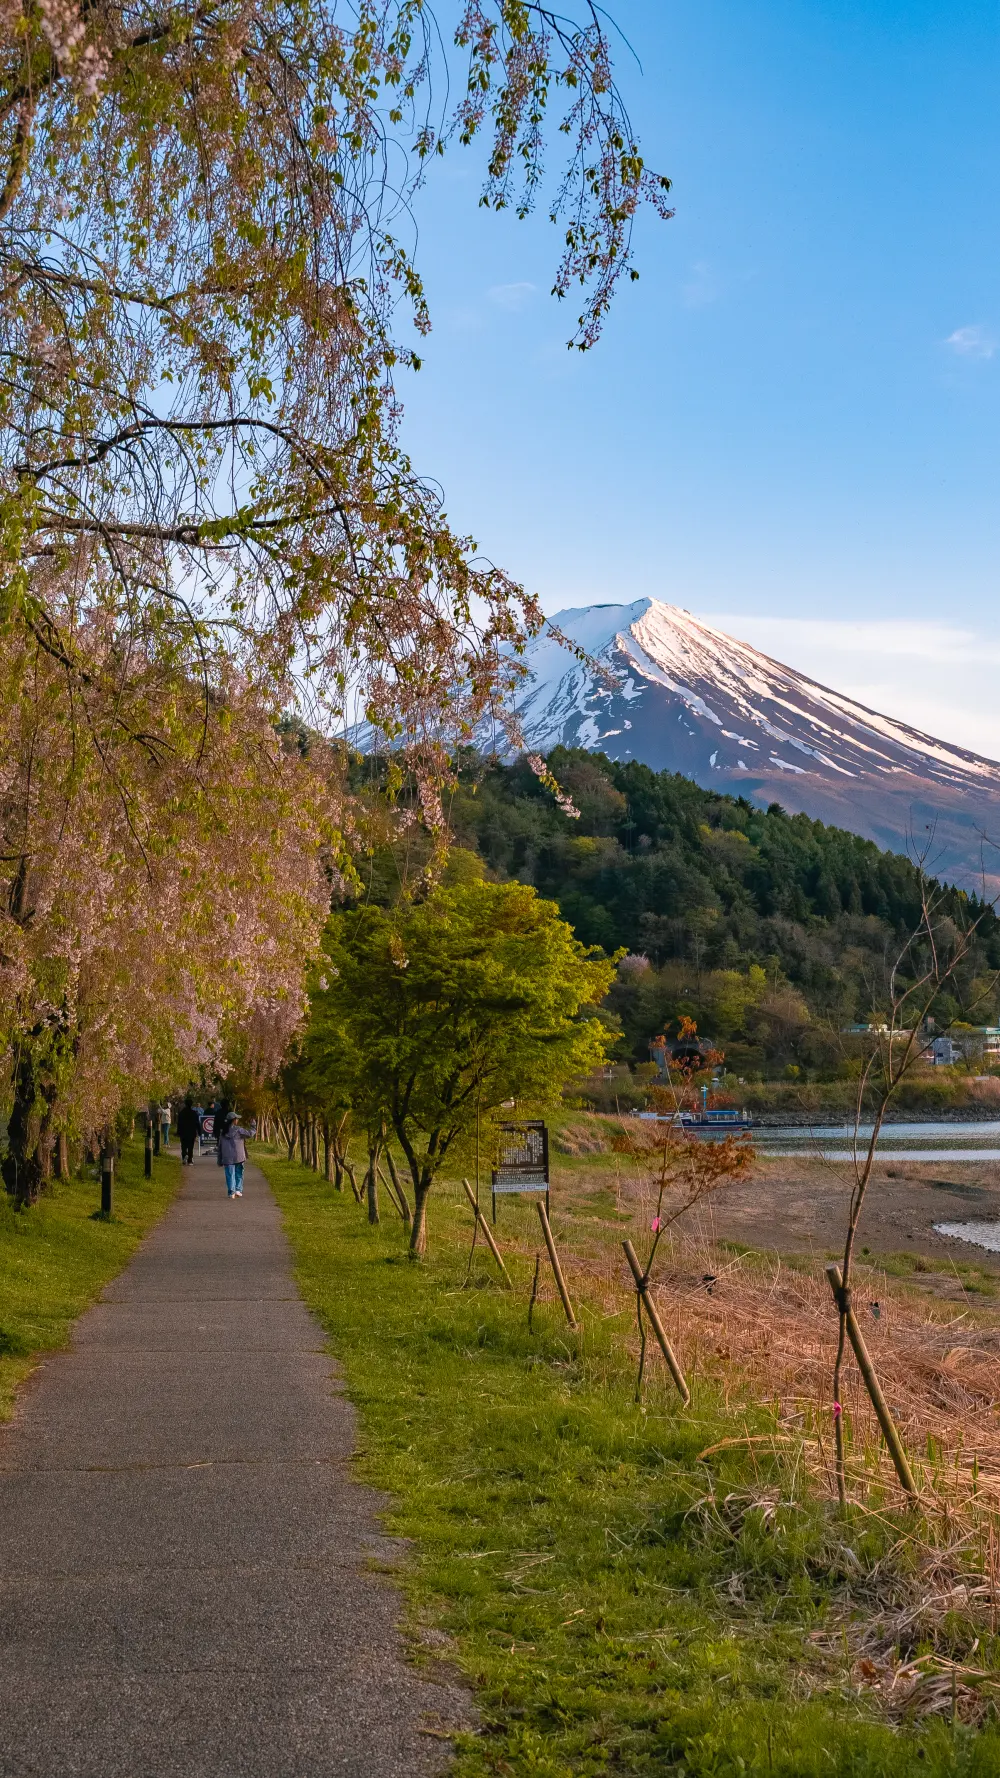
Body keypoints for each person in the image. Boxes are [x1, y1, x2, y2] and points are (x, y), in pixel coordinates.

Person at [218, 1111, 256, 1199]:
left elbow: (220, 1147)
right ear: (234, 1120)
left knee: (229, 1174)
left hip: (227, 1157)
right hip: (239, 1156)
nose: (238, 1120)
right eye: (237, 1119)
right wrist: (253, 1125)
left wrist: (220, 1159)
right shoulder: (239, 1130)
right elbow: (250, 1134)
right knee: (239, 1173)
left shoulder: (223, 1132)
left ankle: (231, 1192)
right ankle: (238, 1190)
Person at [177, 1096, 200, 1166]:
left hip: (183, 1132)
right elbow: (197, 1123)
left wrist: (178, 1132)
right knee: (191, 1146)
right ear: (191, 1104)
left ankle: (184, 1156)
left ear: (185, 1104)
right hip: (191, 1132)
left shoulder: (181, 1113)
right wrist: (199, 1131)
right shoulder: (194, 1113)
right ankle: (190, 1160)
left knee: (183, 1146)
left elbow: (179, 1123)